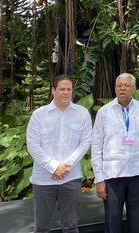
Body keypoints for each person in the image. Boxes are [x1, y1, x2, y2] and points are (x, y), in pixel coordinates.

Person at [91, 73, 139, 233]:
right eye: (119, 85)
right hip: (112, 175)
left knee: (135, 221)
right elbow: (96, 147)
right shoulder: (104, 112)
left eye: (127, 85)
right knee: (112, 220)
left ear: (134, 89)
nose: (122, 88)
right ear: (115, 88)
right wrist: (99, 178)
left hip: (137, 173)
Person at [26, 75, 92, 233]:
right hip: (43, 180)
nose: (66, 92)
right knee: (41, 228)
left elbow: (85, 143)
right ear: (53, 91)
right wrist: (54, 167)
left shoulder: (82, 114)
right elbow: (33, 145)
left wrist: (64, 168)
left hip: (71, 178)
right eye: (62, 89)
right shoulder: (39, 115)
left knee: (70, 226)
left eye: (69, 89)